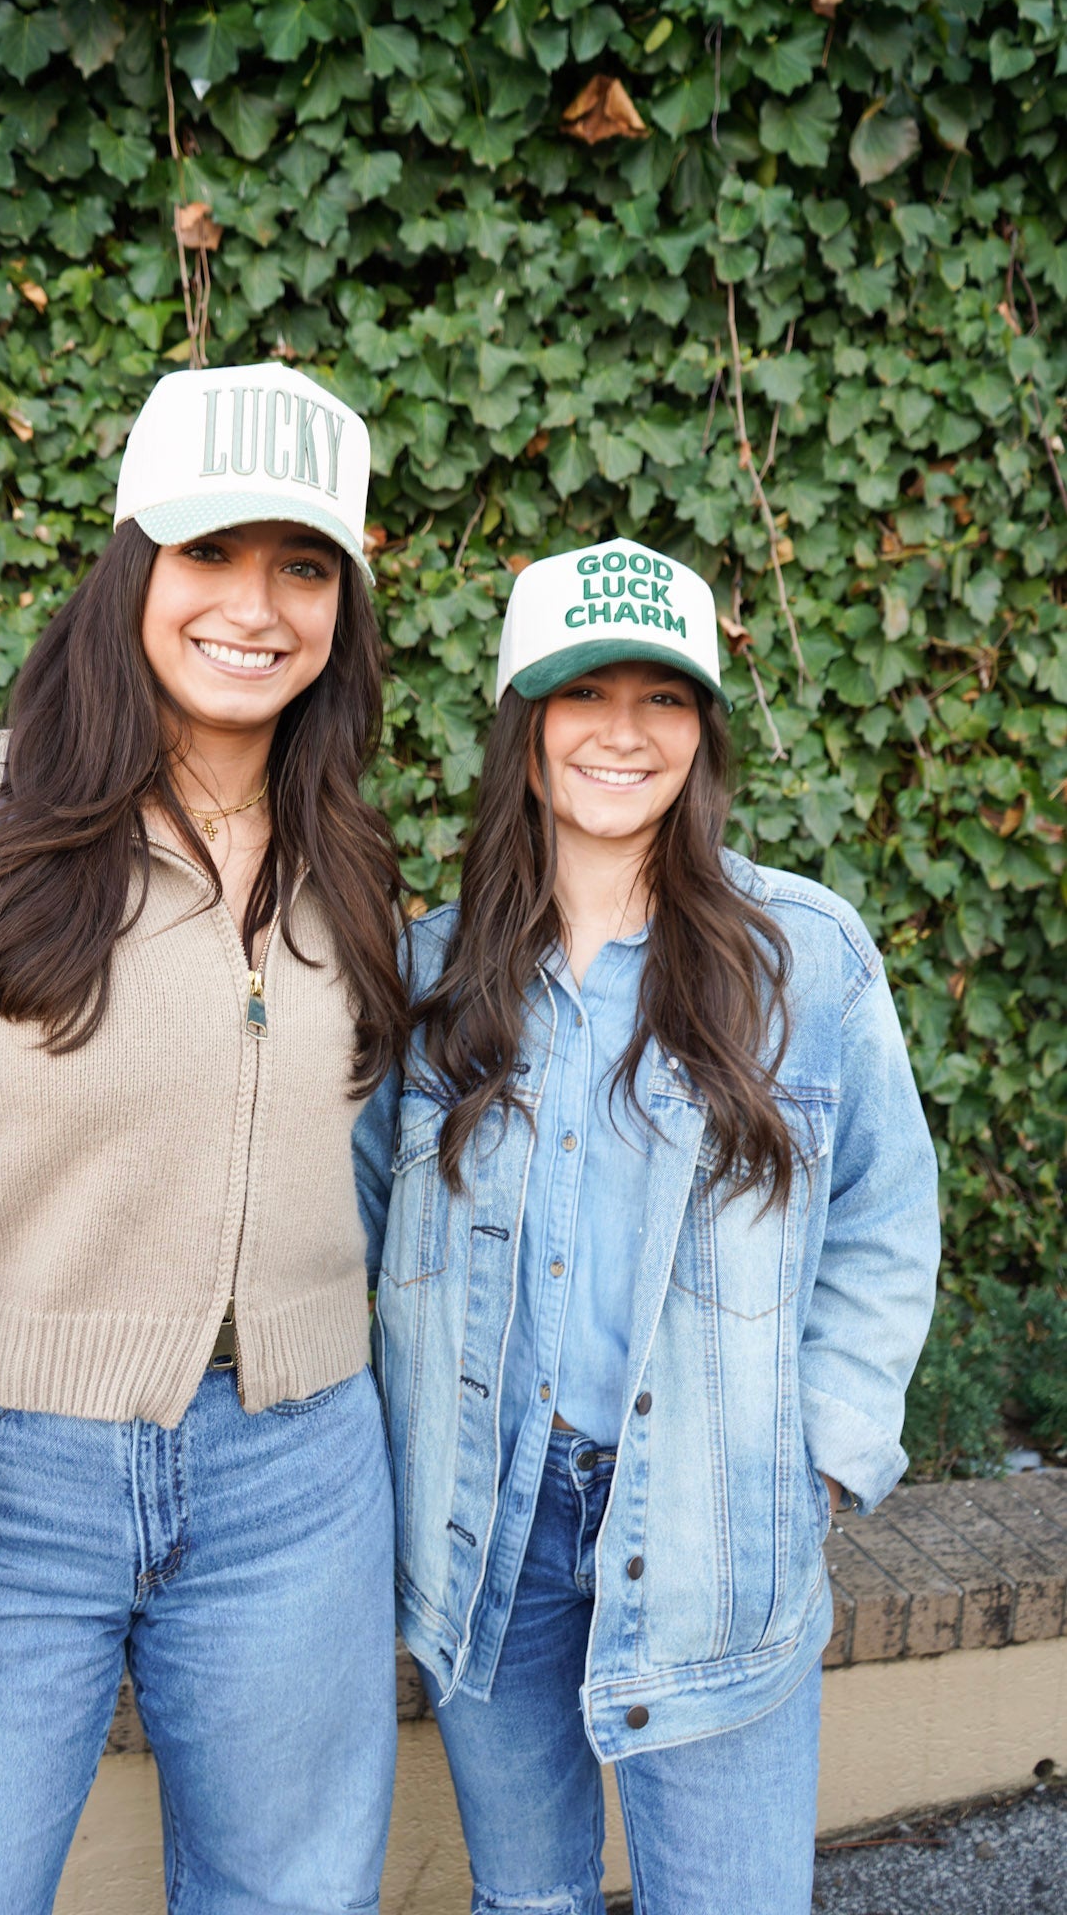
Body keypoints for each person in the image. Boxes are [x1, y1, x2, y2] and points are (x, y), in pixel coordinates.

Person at [0, 362, 407, 1915]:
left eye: (303, 565)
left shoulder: (350, 863)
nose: (253, 606)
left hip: (298, 1479)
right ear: (131, 563)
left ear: (343, 605)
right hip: (3, 1491)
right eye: (209, 551)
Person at [354, 539, 940, 1915]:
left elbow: (884, 1217)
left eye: (663, 697)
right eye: (584, 693)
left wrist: (817, 1465)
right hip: (486, 1520)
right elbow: (357, 1226)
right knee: (528, 1901)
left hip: (712, 1523)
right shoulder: (430, 972)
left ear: (703, 731)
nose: (623, 732)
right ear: (524, 723)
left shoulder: (803, 958)